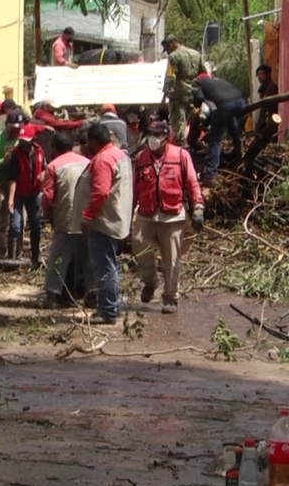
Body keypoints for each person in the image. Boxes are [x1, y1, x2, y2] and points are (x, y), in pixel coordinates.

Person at [132, 120, 204, 314]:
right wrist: (128, 210)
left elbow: (192, 183)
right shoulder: (141, 158)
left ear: (166, 138)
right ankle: (150, 282)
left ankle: (170, 297)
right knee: (139, 247)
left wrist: (198, 207)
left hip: (171, 216)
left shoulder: (181, 156)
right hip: (146, 214)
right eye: (150, 135)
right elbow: (134, 188)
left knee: (171, 259)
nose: (152, 139)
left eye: (156, 135)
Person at [73, 123, 133, 324]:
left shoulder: (102, 160)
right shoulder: (120, 155)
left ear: (93, 141)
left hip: (104, 221)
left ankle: (107, 310)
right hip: (117, 217)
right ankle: (112, 305)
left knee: (104, 267)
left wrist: (88, 217)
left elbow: (100, 192)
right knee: (111, 265)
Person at [40, 132, 90, 309]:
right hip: (88, 218)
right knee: (87, 258)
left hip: (65, 217)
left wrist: (46, 213)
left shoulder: (53, 166)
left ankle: (52, 296)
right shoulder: (87, 163)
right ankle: (91, 296)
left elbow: (47, 196)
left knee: (59, 257)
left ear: (54, 148)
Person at [192, 74, 246, 187]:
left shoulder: (198, 84)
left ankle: (211, 175)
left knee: (216, 140)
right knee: (230, 120)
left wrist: (195, 106)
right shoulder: (219, 80)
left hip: (223, 106)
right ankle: (238, 149)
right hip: (241, 102)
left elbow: (198, 98)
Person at [7, 124, 46, 268]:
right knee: (16, 225)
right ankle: (12, 259)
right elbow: (13, 178)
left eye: (26, 141)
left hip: (34, 193)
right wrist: (11, 199)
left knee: (36, 226)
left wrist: (43, 175)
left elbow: (45, 169)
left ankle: (35, 257)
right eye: (21, 140)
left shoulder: (39, 151)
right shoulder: (15, 154)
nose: (23, 143)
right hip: (19, 194)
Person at [0, 110, 22, 260]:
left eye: (18, 128)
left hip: (19, 187)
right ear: (7, 125)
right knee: (0, 222)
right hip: (1, 184)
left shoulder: (23, 139)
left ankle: (16, 254)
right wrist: (3, 161)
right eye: (12, 128)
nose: (15, 131)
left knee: (18, 222)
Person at [161, 35, 204, 147]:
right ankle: (195, 141)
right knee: (195, 119)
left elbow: (170, 77)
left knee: (178, 122)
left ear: (171, 44)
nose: (168, 52)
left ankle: (182, 146)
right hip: (194, 93)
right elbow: (203, 73)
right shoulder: (196, 54)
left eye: (167, 49)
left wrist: (164, 96)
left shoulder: (174, 56)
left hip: (179, 95)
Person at [256, 64, 279, 135]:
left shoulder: (271, 87)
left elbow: (267, 110)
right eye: (258, 75)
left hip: (269, 123)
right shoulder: (263, 88)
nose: (259, 77)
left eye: (261, 74)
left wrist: (263, 125)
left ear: (268, 74)